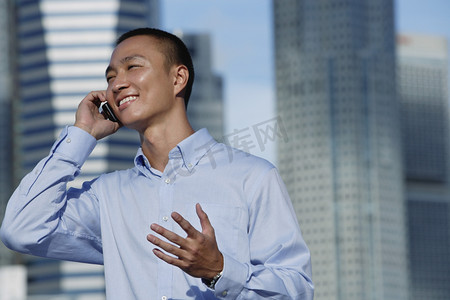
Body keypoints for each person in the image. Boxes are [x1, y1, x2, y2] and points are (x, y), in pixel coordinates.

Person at [0, 28, 314, 299]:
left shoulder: (252, 177)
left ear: (178, 78)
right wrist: (82, 136)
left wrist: (220, 270)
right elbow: (22, 230)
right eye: (110, 77)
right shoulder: (107, 196)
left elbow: (297, 289)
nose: (117, 83)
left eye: (132, 67)